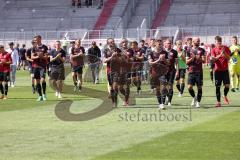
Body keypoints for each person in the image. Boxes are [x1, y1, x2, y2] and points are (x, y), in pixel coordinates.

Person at [148, 39, 169, 110]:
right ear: (155, 44)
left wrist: (164, 60)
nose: (160, 46)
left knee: (163, 88)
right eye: (159, 44)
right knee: (157, 89)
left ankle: (162, 103)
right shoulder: (151, 53)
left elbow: (168, 63)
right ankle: (160, 103)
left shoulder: (165, 52)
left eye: (161, 44)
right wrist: (158, 60)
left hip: (162, 72)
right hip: (155, 73)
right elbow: (150, 63)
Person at [211, 36, 231, 107]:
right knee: (218, 87)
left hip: (225, 70)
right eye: (217, 42)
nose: (219, 43)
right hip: (217, 71)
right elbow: (213, 60)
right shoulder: (213, 49)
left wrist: (224, 52)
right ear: (215, 42)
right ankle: (218, 102)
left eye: (220, 42)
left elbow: (229, 58)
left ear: (221, 42)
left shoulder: (226, 48)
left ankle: (224, 95)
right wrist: (219, 55)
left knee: (227, 86)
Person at [186, 37, 205, 108]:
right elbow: (187, 62)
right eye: (197, 41)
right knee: (189, 87)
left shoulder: (202, 50)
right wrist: (192, 58)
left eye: (199, 41)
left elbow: (204, 60)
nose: (199, 42)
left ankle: (198, 102)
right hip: (191, 71)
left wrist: (198, 58)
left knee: (199, 87)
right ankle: (194, 97)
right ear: (193, 41)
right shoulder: (188, 50)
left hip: (199, 71)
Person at [103, 38, 121, 107]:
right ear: (108, 43)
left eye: (113, 41)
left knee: (115, 86)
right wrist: (111, 57)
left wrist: (117, 57)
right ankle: (113, 101)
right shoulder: (105, 50)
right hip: (109, 70)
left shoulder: (118, 50)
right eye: (111, 42)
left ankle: (115, 102)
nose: (112, 43)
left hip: (116, 70)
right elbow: (104, 60)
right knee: (111, 88)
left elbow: (122, 60)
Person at [31, 35, 48, 101]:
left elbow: (46, 57)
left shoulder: (44, 47)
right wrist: (38, 56)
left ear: (40, 39)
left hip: (42, 66)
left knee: (43, 80)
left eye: (36, 39)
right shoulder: (33, 48)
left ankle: (44, 94)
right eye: (34, 40)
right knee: (37, 81)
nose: (35, 41)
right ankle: (40, 96)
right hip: (35, 66)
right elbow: (32, 57)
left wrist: (42, 56)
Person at [164, 39, 178, 106]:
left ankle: (169, 101)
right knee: (164, 86)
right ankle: (167, 96)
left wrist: (177, 70)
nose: (169, 44)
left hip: (172, 71)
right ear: (165, 44)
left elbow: (176, 62)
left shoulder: (174, 52)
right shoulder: (162, 52)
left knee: (170, 85)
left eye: (170, 43)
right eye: (167, 43)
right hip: (163, 71)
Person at [120, 38, 133, 106]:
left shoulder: (130, 50)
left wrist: (127, 55)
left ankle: (126, 100)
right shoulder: (118, 50)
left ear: (127, 43)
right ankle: (127, 96)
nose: (124, 43)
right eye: (123, 42)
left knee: (127, 86)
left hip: (128, 70)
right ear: (121, 43)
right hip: (120, 70)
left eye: (125, 42)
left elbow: (132, 59)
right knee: (120, 88)